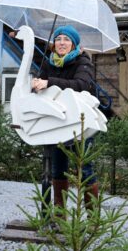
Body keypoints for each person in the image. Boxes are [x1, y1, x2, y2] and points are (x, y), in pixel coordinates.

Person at [31, 25, 99, 214]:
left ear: (74, 44)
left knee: (84, 168)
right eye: (58, 39)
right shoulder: (49, 62)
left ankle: (94, 220)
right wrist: (36, 84)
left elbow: (81, 85)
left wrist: (49, 82)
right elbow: (41, 84)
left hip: (82, 122)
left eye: (66, 40)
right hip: (58, 122)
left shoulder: (83, 62)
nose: (62, 43)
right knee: (58, 168)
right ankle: (60, 216)